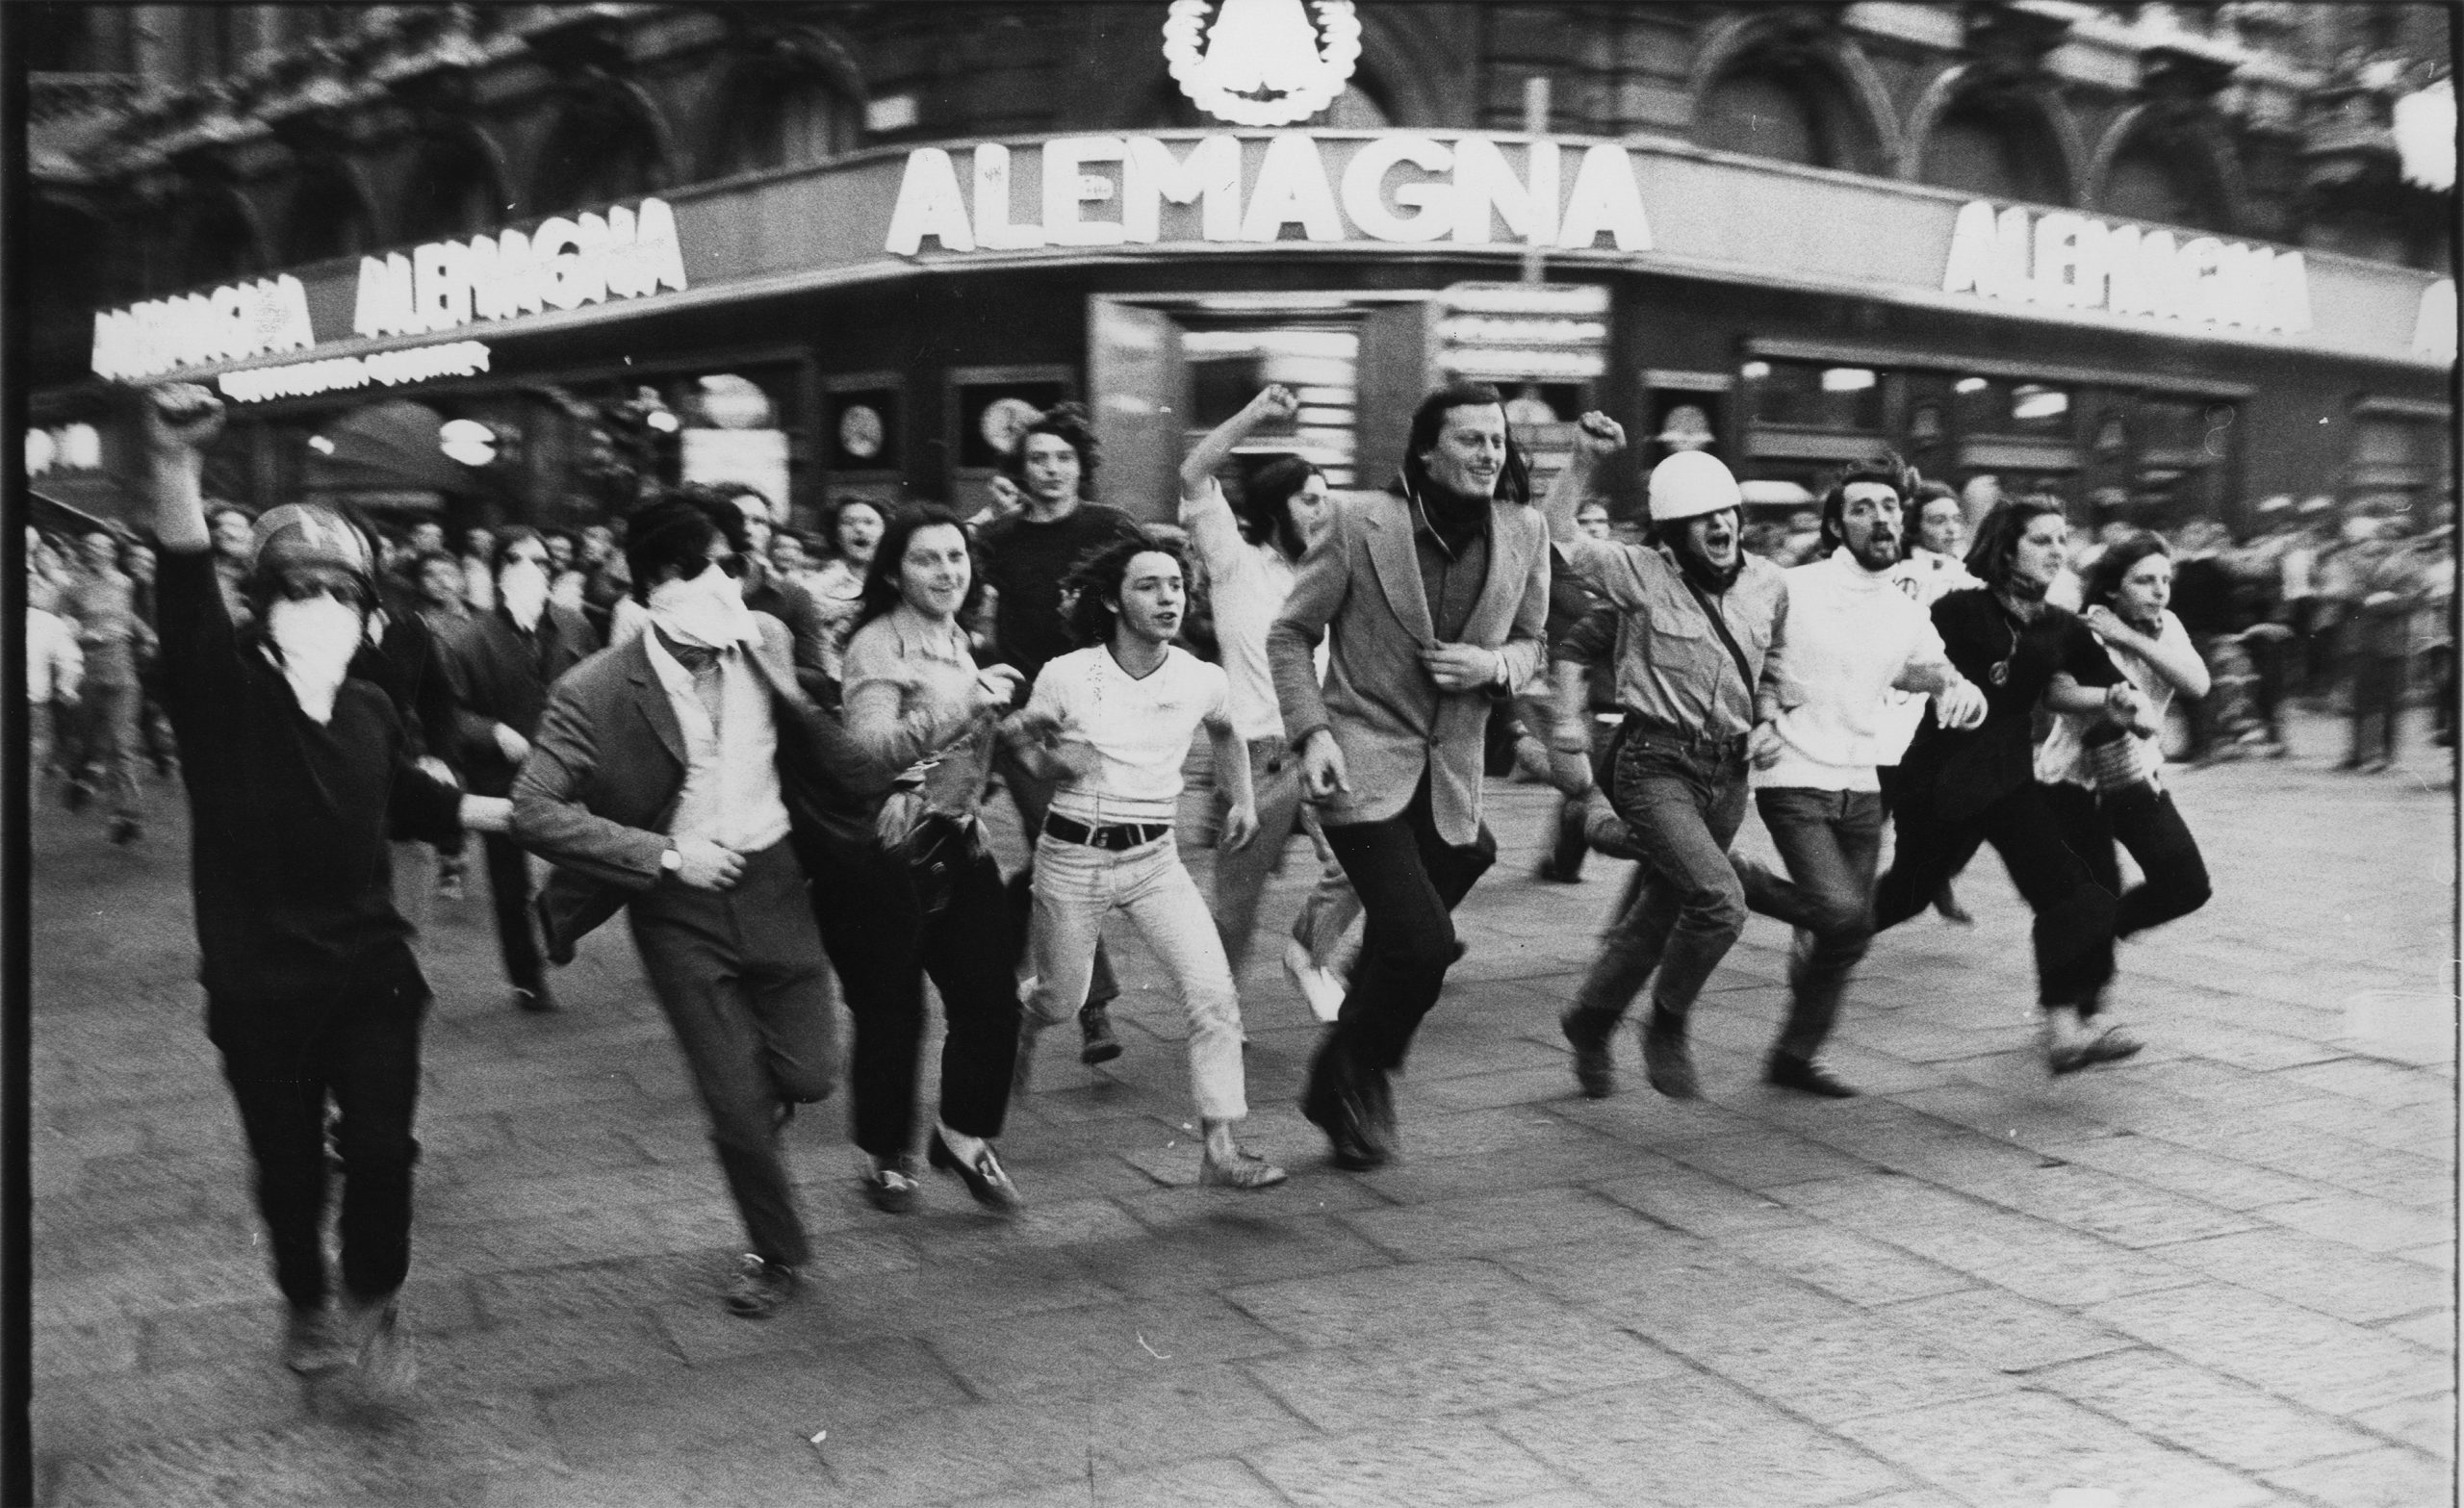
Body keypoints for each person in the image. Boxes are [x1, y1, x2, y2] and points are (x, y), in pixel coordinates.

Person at [136, 381, 506, 1390]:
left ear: (367, 613)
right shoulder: (224, 700)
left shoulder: (374, 710)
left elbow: (416, 803)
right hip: (261, 985)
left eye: (343, 593)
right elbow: (183, 590)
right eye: (299, 589)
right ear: (262, 606)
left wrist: (545, 819)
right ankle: (303, 1295)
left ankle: (375, 1295)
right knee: (291, 1165)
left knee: (382, 1151)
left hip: (372, 973)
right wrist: (175, 463)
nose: (322, 606)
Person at [512, 494, 956, 1317]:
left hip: (779, 884)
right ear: (660, 580)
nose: (732, 580)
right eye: (712, 565)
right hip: (677, 910)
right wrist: (666, 854)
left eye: (735, 563)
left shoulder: (766, 641)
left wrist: (926, 735)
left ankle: (758, 1102)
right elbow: (534, 808)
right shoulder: (594, 689)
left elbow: (832, 746)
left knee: (811, 1075)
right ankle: (773, 1250)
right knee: (737, 1108)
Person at [1269, 381, 1551, 1166]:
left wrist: (1494, 666)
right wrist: (1312, 733)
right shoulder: (1357, 522)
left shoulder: (1523, 528)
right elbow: (1290, 634)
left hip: (1450, 769)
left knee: (1447, 882)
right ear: (1426, 450)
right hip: (1359, 761)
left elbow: (1534, 642)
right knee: (1423, 946)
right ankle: (1358, 1075)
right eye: (1470, 439)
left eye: (1496, 440)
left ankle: (1342, 1068)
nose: (1489, 453)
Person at [1012, 531, 1286, 1188]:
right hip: (1073, 856)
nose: (1168, 599)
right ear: (1112, 599)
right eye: (1148, 586)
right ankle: (1021, 1020)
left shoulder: (1201, 677)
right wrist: (1050, 757)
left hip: (1156, 861)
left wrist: (1243, 800)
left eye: (1176, 586)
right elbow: (1027, 751)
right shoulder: (1067, 674)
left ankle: (1221, 1148)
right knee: (1060, 998)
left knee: (1214, 995)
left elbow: (1228, 731)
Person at [1540, 426, 1790, 1101]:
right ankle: (1668, 1023)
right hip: (1655, 765)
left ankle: (1589, 1022)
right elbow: (1558, 537)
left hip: (1729, 773)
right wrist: (1583, 460)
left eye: (1727, 513)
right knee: (1720, 902)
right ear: (1675, 533)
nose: (1721, 526)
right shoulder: (1641, 573)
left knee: (1660, 911)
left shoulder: (1770, 583)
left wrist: (1770, 720)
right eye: (1703, 519)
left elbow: (1773, 663)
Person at [1734, 454, 1986, 1097]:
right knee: (1844, 916)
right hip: (1793, 771)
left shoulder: (1905, 606)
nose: (1880, 519)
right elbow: (1748, 652)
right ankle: (1728, 875)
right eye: (1862, 508)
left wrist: (1956, 687)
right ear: (1836, 524)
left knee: (1846, 933)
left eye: (1889, 507)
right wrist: (1762, 711)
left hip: (1864, 782)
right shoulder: (1795, 586)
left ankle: (1794, 1056)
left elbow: (1926, 667)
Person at [1871, 497, 2138, 1074]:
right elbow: (1900, 664)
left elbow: (2091, 688)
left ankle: (2063, 1029)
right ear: (2007, 549)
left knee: (2069, 894)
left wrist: (2117, 703)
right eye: (2041, 539)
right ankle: (1827, 932)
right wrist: (1941, 681)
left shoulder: (2060, 625)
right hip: (1940, 781)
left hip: (2009, 781)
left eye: (2062, 539)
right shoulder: (1958, 610)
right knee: (1909, 893)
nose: (2057, 550)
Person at [833, 507, 1034, 1212]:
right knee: (893, 1011)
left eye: (957, 556)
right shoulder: (877, 645)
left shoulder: (956, 639)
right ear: (894, 573)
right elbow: (867, 753)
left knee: (991, 999)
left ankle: (962, 1134)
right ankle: (886, 1151)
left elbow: (959, 747)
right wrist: (968, 703)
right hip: (889, 854)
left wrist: (1014, 725)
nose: (948, 571)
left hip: (957, 839)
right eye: (927, 559)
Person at [1171, 385, 1359, 1014]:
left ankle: (1308, 951)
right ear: (1278, 506)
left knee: (1365, 865)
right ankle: (1218, 1013)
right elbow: (1194, 473)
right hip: (1257, 761)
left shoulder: (1329, 576)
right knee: (1235, 909)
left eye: (1328, 500)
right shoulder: (1235, 562)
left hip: (1325, 748)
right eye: (1311, 499)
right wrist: (1255, 413)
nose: (1324, 512)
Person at [975, 406, 1147, 1065]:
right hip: (1028, 717)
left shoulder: (1109, 527)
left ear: (1080, 465)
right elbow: (963, 598)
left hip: (1098, 708)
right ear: (1020, 471)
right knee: (1066, 841)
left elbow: (1150, 587)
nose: (1051, 469)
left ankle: (1022, 916)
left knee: (1075, 850)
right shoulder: (999, 538)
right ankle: (1094, 1006)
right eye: (1038, 459)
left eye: (1063, 458)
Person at [434, 528, 602, 1012]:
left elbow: (601, 686)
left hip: (568, 769)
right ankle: (527, 978)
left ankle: (557, 915)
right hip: (501, 778)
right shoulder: (469, 638)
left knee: (587, 857)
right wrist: (492, 732)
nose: (530, 571)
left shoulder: (573, 626)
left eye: (540, 561)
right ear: (497, 572)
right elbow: (447, 713)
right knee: (510, 886)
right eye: (515, 560)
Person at [2040, 532, 2213, 945]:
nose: (2159, 591)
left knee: (2188, 886)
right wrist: (2109, 698)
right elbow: (2056, 694)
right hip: (2074, 784)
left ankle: (2100, 931)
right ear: (2113, 587)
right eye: (2144, 580)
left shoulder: (2166, 626)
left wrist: (2129, 637)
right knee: (2092, 894)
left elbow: (2198, 685)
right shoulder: (2081, 628)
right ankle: (2086, 942)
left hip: (2136, 774)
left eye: (2165, 580)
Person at [1882, 479, 1983, 924]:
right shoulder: (1903, 572)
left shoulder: (1966, 574)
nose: (1951, 528)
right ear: (1916, 527)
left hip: (1947, 706)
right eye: (1938, 520)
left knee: (1951, 809)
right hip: (1897, 704)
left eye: (1956, 519)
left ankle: (1932, 876)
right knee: (1882, 807)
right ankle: (1841, 909)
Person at [1530, 499, 1615, 882]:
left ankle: (1563, 862)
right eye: (1586, 520)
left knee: (1585, 782)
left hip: (1601, 689)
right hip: (1561, 686)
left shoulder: (1613, 572)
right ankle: (1564, 860)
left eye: (1602, 521)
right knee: (1582, 780)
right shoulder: (1553, 571)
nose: (1595, 527)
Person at [63, 525, 155, 844]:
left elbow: (127, 616)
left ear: (112, 552)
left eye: (101, 547)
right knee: (87, 742)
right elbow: (66, 629)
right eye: (89, 547)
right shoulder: (74, 587)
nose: (95, 552)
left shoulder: (125, 583)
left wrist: (146, 634)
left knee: (123, 745)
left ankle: (127, 816)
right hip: (88, 673)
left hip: (123, 674)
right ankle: (83, 778)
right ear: (83, 552)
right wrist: (90, 636)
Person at [2342, 521, 2422, 773]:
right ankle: (2358, 753)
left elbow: (2411, 601)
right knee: (2361, 698)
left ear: (2405, 540)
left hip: (2393, 642)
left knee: (2389, 701)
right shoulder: (2368, 562)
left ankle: (2384, 755)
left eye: (2394, 538)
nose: (2388, 542)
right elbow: (2352, 592)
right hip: (2365, 640)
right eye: (2384, 537)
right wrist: (2373, 599)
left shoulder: (2411, 566)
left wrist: (2378, 602)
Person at [808, 498, 885, 697]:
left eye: (869, 522)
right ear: (836, 535)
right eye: (848, 522)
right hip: (835, 684)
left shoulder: (898, 582)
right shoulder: (818, 585)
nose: (859, 529)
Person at [28, 577, 83, 794]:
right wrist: (66, 688)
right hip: (34, 707)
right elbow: (71, 663)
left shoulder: (51, 623)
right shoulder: (50, 622)